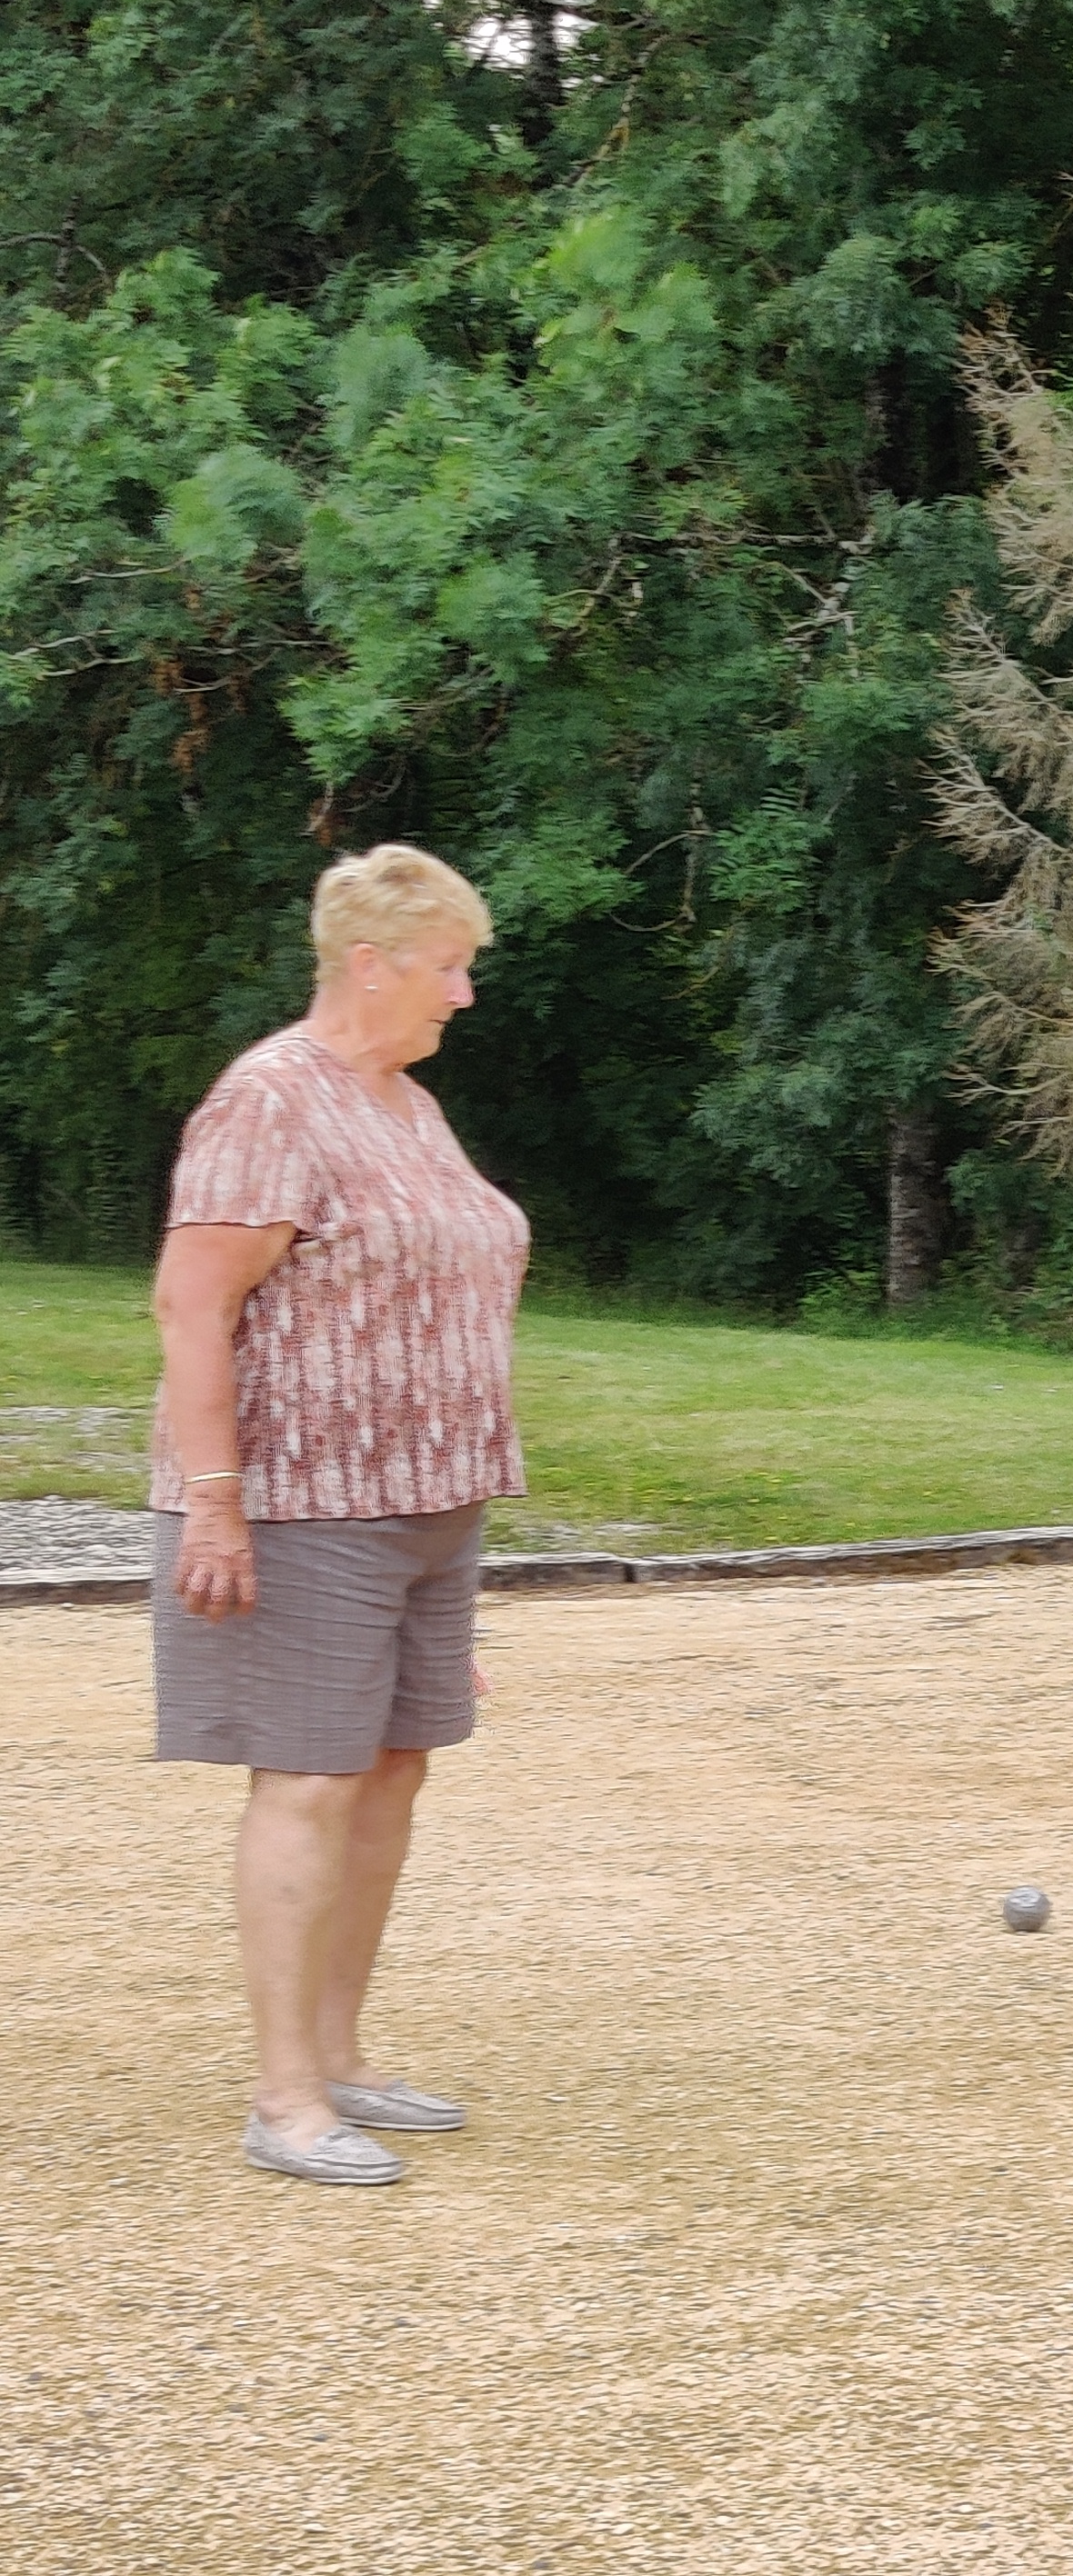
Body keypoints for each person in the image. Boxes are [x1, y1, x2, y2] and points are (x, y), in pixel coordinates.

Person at [150, 844, 529, 2186]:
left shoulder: (404, 1104)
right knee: (307, 1779)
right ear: (370, 965)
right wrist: (215, 1504)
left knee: (391, 1768)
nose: (464, 994)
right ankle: (285, 2097)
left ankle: (345, 2056)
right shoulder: (271, 1099)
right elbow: (193, 1306)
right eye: (448, 967)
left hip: (430, 1500)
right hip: (304, 1504)